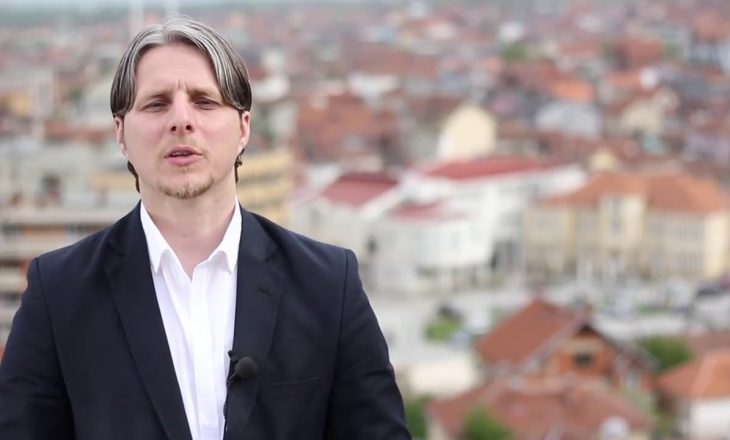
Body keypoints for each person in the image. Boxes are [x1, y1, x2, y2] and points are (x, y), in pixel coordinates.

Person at [0, 16, 410, 440]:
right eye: (156, 104)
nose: (181, 120)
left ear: (244, 128)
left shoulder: (328, 285)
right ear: (120, 134)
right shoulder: (59, 293)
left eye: (205, 101)